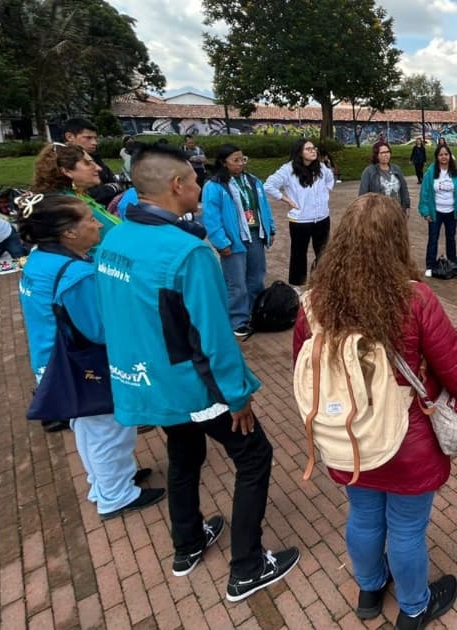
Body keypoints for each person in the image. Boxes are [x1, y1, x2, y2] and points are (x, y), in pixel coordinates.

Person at [96, 143, 299, 601]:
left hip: (152, 382)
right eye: (194, 181)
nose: (200, 189)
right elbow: (214, 336)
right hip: (195, 385)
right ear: (176, 185)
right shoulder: (188, 253)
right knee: (254, 456)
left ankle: (187, 543)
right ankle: (247, 566)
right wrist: (237, 395)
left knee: (184, 455)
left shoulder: (114, 241)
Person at [294, 193, 457, 629]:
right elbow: (455, 366)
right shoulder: (414, 299)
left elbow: (304, 368)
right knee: (406, 529)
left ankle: (369, 589)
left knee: (364, 515)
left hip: (347, 436)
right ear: (397, 241)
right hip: (408, 437)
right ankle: (414, 607)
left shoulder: (314, 303)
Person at [16, 193, 164, 517]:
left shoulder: (39, 260)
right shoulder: (75, 274)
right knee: (110, 429)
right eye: (88, 219)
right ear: (68, 232)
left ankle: (104, 483)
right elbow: (99, 329)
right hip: (82, 364)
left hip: (53, 361)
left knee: (87, 427)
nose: (97, 223)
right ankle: (117, 496)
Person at [202, 144, 276, 337]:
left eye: (243, 159)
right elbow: (211, 217)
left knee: (256, 278)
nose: (240, 163)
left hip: (256, 235)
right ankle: (237, 320)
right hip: (232, 239)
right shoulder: (214, 186)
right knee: (236, 283)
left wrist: (271, 228)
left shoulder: (253, 181)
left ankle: (254, 313)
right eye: (235, 160)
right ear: (223, 162)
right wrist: (221, 242)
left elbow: (264, 207)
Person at [265, 139, 335, 289]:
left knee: (323, 252)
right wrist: (286, 200)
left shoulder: (321, 167)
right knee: (298, 253)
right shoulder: (288, 170)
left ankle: (321, 282)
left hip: (322, 217)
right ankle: (297, 286)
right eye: (308, 149)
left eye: (314, 148)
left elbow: (330, 178)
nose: (313, 151)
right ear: (299, 152)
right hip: (300, 220)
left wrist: (326, 193)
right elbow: (269, 185)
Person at [31, 142, 121, 247]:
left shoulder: (79, 196)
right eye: (87, 163)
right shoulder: (67, 205)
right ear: (67, 171)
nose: (98, 168)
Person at [418, 144, 457, 276]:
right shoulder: (430, 173)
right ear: (437, 157)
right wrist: (425, 212)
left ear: (450, 156)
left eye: (446, 154)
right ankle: (430, 265)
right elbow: (424, 193)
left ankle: (453, 261)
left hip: (451, 212)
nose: (444, 157)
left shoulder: (456, 173)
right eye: (441, 155)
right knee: (433, 238)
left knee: (451, 238)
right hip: (436, 212)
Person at [61, 118, 121, 205]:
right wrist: (113, 188)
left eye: (95, 138)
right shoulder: (63, 163)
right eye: (88, 138)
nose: (94, 143)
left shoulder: (96, 158)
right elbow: (90, 195)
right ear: (69, 137)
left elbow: (114, 181)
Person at [358, 141, 411, 215]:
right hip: (378, 214)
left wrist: (407, 206)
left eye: (388, 152)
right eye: (382, 152)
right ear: (376, 155)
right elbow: (363, 195)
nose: (386, 155)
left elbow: (404, 189)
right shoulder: (369, 171)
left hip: (397, 212)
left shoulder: (396, 169)